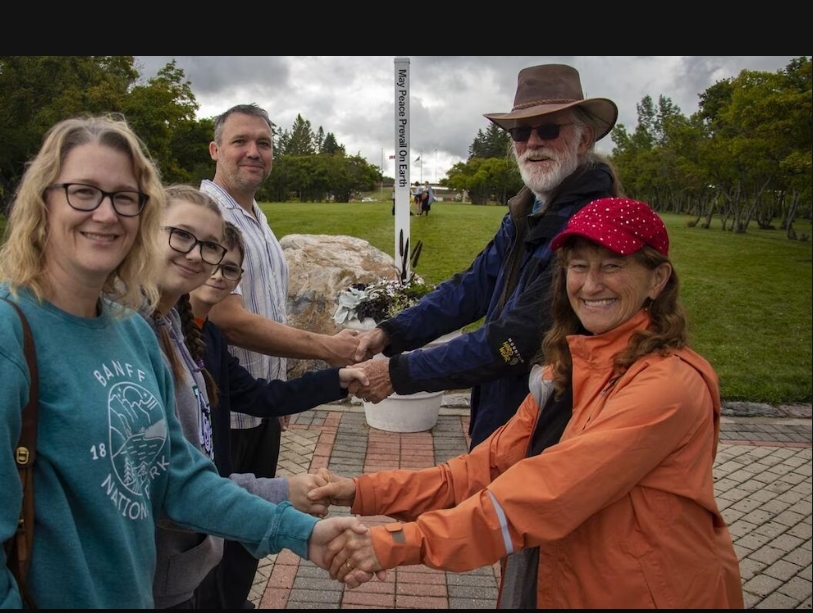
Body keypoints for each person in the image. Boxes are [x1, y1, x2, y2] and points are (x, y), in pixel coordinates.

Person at [0, 113, 368, 608]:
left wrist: (299, 532)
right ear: (43, 201)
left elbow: (175, 478)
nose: (107, 214)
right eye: (84, 192)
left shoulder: (133, 330)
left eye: (125, 198)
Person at [313, 197, 746, 608]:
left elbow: (544, 496)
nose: (590, 284)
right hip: (567, 581)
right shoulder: (568, 370)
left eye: (612, 266)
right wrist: (361, 491)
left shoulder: (665, 387)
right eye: (578, 266)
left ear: (658, 279)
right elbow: (481, 470)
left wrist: (394, 543)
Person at [350, 63, 623, 449]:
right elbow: (472, 286)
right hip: (504, 418)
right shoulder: (528, 211)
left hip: (553, 430)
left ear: (584, 139)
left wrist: (397, 373)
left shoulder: (592, 226)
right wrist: (391, 333)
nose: (532, 142)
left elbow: (513, 339)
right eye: (520, 132)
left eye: (548, 129)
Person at [145, 188, 369, 608]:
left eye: (219, 257)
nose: (202, 261)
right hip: (158, 563)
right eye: (181, 236)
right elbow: (171, 484)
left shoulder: (198, 336)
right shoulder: (140, 336)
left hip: (186, 549)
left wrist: (337, 381)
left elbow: (262, 396)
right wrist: (282, 499)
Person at [200, 103, 361, 607]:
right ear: (215, 150)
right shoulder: (208, 217)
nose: (254, 152)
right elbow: (228, 318)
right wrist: (327, 349)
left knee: (246, 541)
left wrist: (284, 395)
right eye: (240, 141)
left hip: (259, 406)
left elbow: (267, 308)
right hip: (221, 408)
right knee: (214, 539)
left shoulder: (256, 217)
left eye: (264, 144)